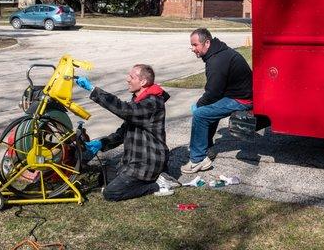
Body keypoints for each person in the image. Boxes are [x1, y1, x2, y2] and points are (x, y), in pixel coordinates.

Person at [76, 64, 179, 201]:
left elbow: (123, 110)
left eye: (132, 77)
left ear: (143, 82)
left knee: (111, 193)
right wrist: (101, 143)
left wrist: (93, 90)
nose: (127, 79)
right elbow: (123, 131)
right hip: (134, 160)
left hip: (147, 161)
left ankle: (157, 185)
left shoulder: (152, 103)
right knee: (103, 177)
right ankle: (155, 177)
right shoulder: (139, 100)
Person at [181, 28, 253, 174]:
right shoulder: (218, 53)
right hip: (235, 94)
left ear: (207, 43)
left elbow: (213, 93)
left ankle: (197, 160)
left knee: (201, 114)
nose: (193, 49)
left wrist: (198, 105)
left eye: (195, 45)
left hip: (242, 99)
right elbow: (215, 92)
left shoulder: (217, 60)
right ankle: (206, 149)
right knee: (206, 111)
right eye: (192, 45)